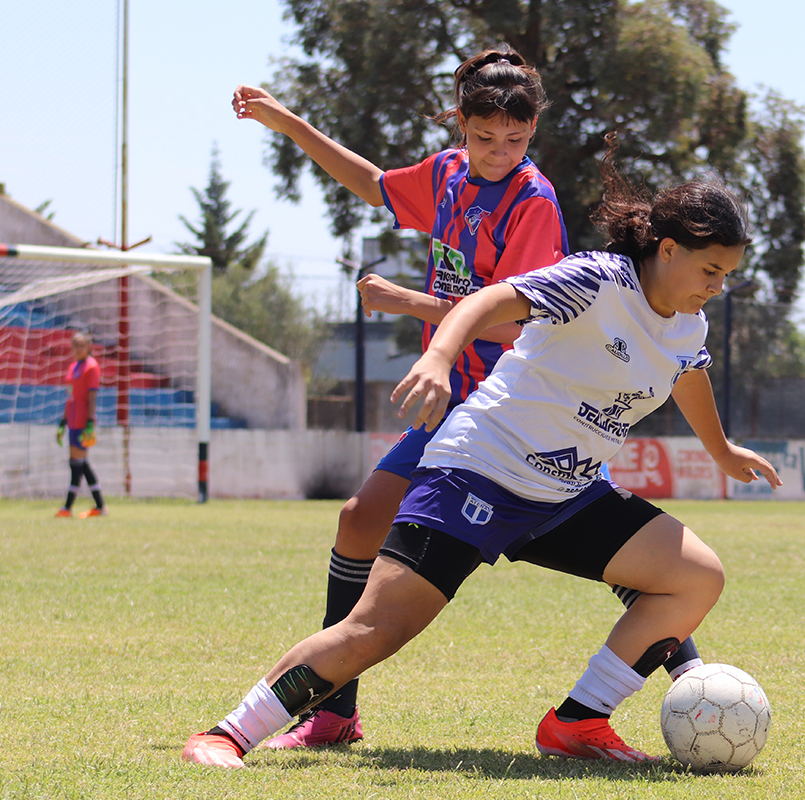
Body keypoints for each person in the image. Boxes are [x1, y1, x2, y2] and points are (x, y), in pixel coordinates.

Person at [181, 138, 781, 769]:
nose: (717, 287)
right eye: (710, 270)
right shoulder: (599, 281)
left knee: (697, 577)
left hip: (566, 494)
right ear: (667, 250)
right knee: (377, 629)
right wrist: (439, 357)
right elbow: (488, 300)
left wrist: (721, 449)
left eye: (727, 275)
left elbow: (687, 371)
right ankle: (227, 733)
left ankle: (577, 723)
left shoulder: (689, 323)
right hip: (480, 471)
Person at [232, 48, 704, 750]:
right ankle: (333, 715)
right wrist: (286, 122)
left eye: (515, 140)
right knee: (361, 520)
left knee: (621, 551)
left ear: (533, 129)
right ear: (461, 124)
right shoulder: (449, 174)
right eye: (485, 137)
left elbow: (515, 316)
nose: (498, 151)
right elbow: (373, 183)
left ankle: (699, 688)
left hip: (516, 402)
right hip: (460, 401)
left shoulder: (532, 201)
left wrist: (405, 304)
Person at [55, 332, 106, 518]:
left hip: (83, 421)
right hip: (72, 421)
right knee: (81, 464)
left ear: (89, 346)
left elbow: (92, 396)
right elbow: (70, 397)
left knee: (76, 464)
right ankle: (100, 507)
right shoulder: (72, 367)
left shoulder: (91, 367)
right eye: (74, 345)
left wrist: (91, 422)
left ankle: (67, 508)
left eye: (81, 345)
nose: (77, 348)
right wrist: (62, 422)